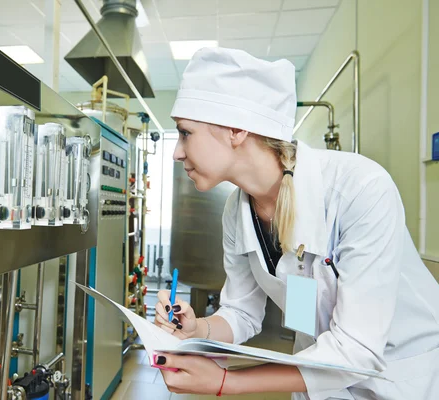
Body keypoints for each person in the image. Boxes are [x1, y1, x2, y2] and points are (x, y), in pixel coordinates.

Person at [154, 47, 439, 400]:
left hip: (402, 379)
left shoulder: (360, 189)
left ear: (236, 130)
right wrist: (198, 328)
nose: (176, 151)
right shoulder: (236, 211)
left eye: (185, 133)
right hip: (318, 379)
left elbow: (356, 349)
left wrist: (228, 382)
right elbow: (242, 312)